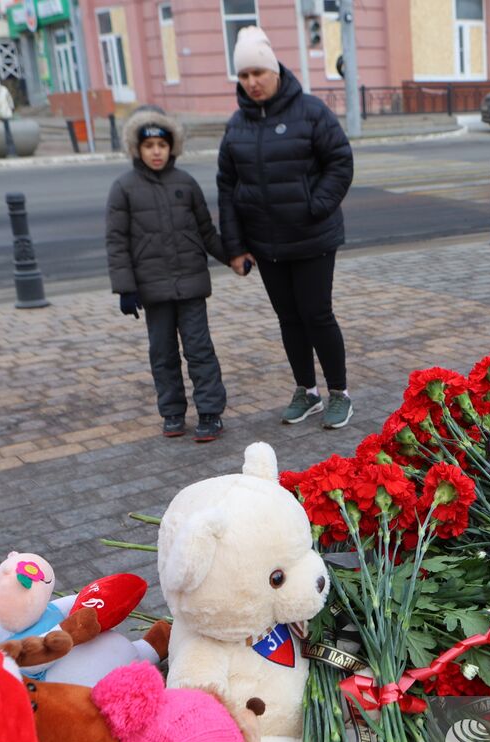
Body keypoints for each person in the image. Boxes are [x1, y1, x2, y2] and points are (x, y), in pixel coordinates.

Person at [216, 27, 355, 429]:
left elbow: (340, 162)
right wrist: (235, 246)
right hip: (266, 242)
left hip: (312, 237)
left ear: (275, 69)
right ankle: (306, 391)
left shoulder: (310, 111)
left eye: (258, 72)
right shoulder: (236, 126)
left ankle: (339, 394)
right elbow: (227, 187)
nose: (252, 82)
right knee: (289, 318)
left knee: (317, 314)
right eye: (243, 76)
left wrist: (317, 205)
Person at [106, 107, 231, 441]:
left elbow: (206, 231)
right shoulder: (124, 188)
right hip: (153, 289)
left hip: (190, 283)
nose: (156, 152)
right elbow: (117, 242)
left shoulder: (185, 184)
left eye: (162, 145)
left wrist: (233, 257)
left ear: (171, 147)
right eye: (149, 147)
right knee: (162, 353)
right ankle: (173, 411)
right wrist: (125, 288)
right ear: (138, 149)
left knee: (199, 350)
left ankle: (210, 412)